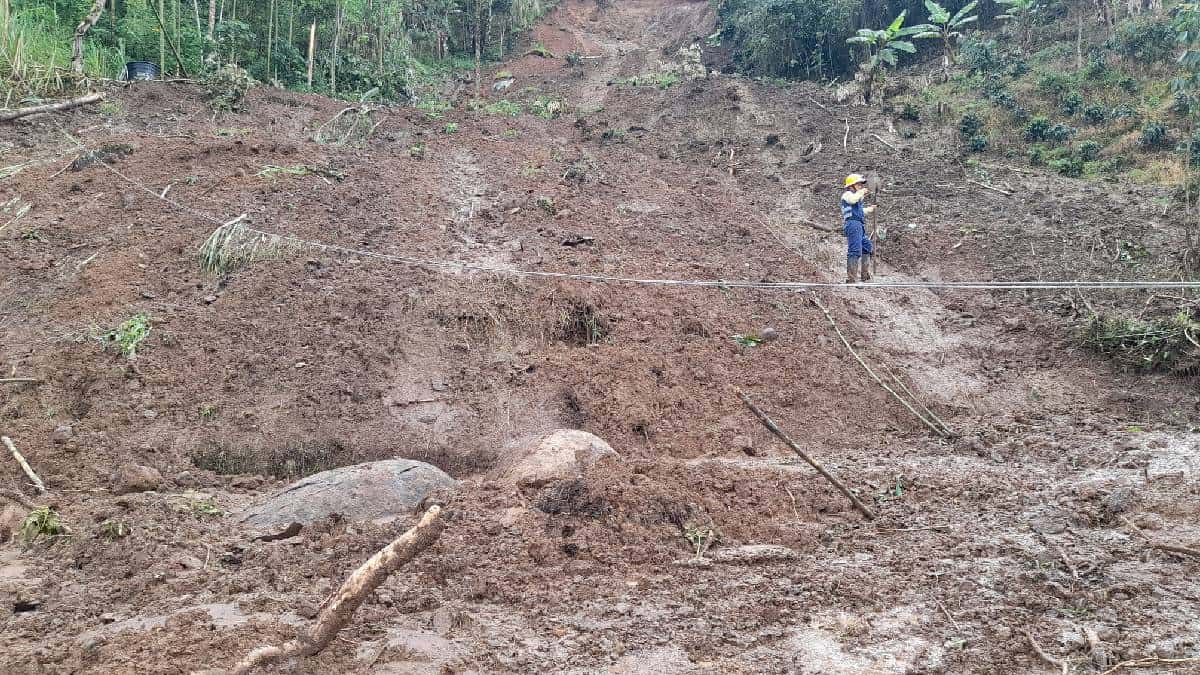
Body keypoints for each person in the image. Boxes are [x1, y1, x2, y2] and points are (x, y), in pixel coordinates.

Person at [840, 173, 876, 283]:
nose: (861, 186)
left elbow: (860, 211)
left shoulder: (856, 196)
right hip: (852, 224)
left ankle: (865, 276)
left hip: (859, 224)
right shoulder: (847, 194)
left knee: (866, 246)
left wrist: (870, 209)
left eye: (861, 184)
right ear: (852, 185)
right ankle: (851, 278)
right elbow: (852, 200)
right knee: (855, 250)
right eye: (859, 184)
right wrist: (861, 192)